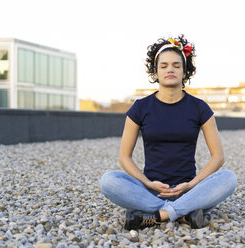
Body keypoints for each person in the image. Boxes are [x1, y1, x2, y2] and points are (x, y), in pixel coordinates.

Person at [100, 35, 237, 230]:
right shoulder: (140, 108)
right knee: (109, 181)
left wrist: (190, 185)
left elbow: (218, 157)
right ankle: (182, 214)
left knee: (228, 178)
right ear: (155, 71)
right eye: (163, 66)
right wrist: (148, 183)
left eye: (176, 65)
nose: (170, 69)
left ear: (184, 71)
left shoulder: (200, 108)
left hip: (188, 189)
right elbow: (124, 158)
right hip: (150, 190)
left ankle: (158, 215)